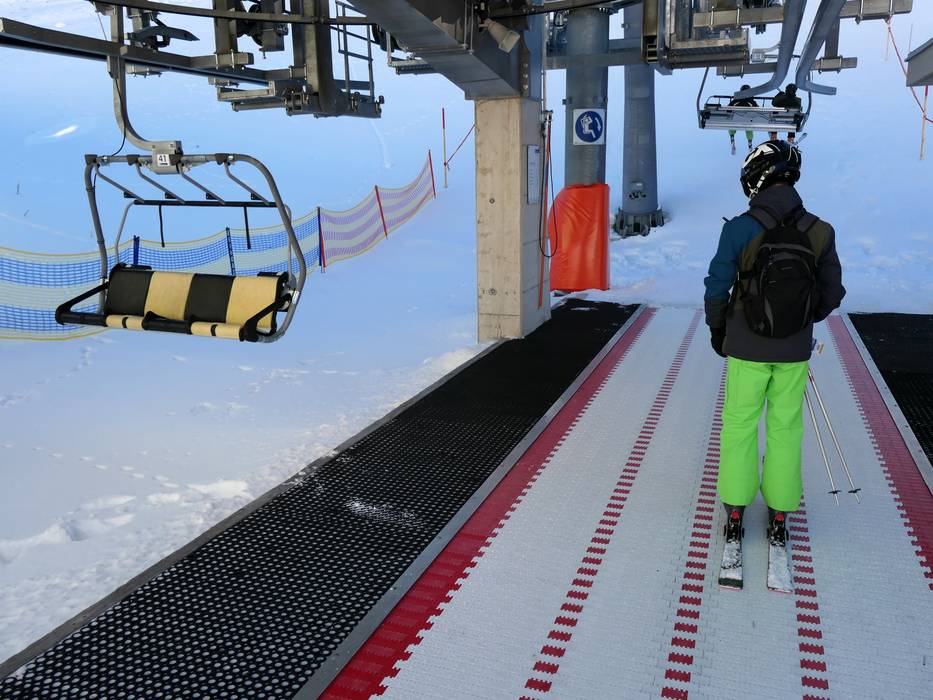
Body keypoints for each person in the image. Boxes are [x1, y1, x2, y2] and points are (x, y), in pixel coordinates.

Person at [702, 140, 845, 557]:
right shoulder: (820, 230)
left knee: (739, 425)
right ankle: (780, 511)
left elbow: (716, 286)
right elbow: (832, 292)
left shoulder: (739, 229)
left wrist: (719, 330)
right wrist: (801, 321)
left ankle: (735, 509)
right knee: (786, 428)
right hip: (793, 352)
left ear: (757, 179)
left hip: (746, 347)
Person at [728, 85, 758, 155]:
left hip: (736, 119)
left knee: (732, 125)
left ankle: (732, 137)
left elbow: (729, 107)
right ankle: (750, 142)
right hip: (747, 119)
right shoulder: (751, 101)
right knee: (749, 127)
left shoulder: (736, 100)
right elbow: (757, 109)